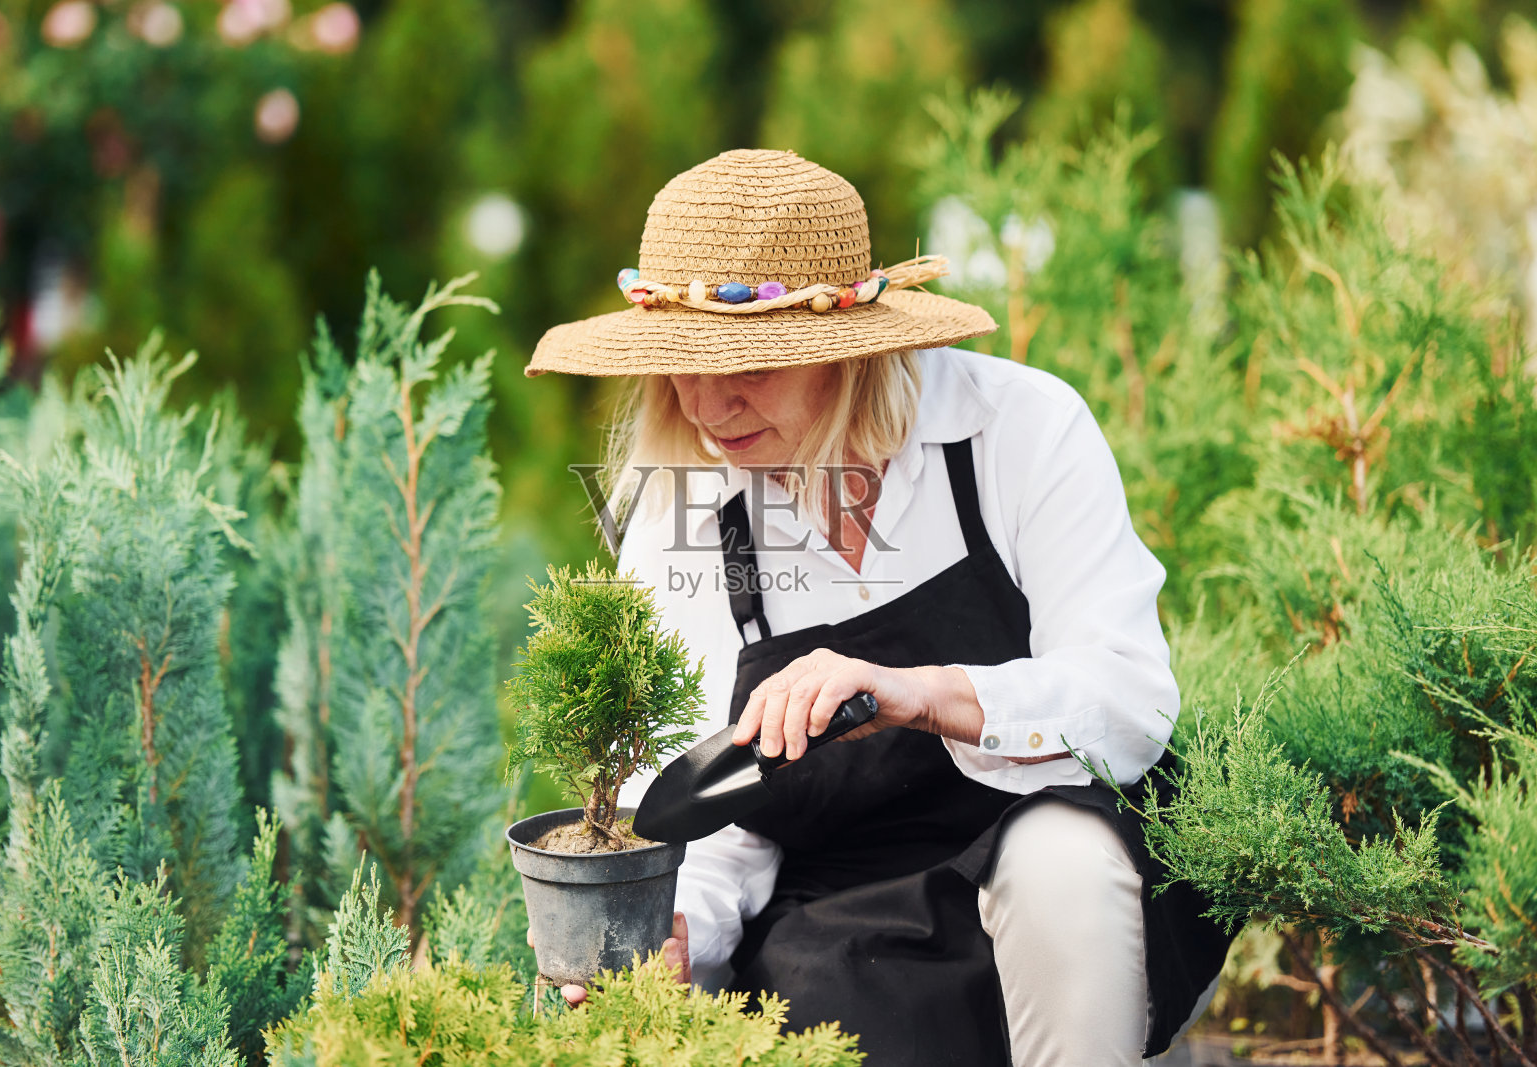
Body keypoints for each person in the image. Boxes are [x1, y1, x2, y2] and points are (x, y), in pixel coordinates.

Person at [525, 148, 1234, 1065]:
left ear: (845, 351)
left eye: (746, 363)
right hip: (841, 907)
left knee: (1060, 860)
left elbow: (1129, 708)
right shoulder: (688, 503)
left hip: (1055, 844)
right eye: (679, 366)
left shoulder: (1016, 433)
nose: (705, 404)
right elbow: (708, 811)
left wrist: (918, 691)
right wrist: (677, 938)